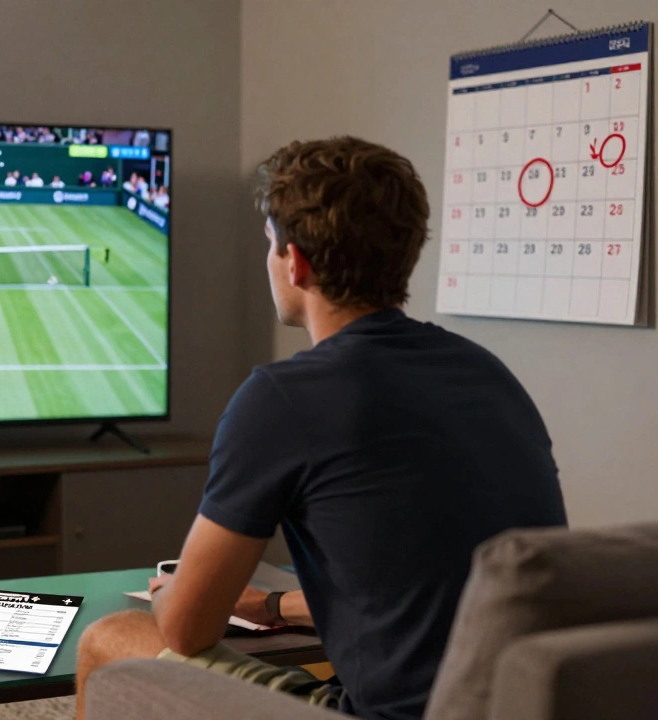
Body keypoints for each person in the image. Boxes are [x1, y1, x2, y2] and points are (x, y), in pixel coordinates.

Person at [74, 136, 568, 720]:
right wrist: (274, 606)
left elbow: (186, 630)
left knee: (111, 639)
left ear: (296, 262)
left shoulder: (281, 398)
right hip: (529, 708)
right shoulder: (487, 372)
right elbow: (427, 593)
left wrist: (174, 595)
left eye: (269, 243)